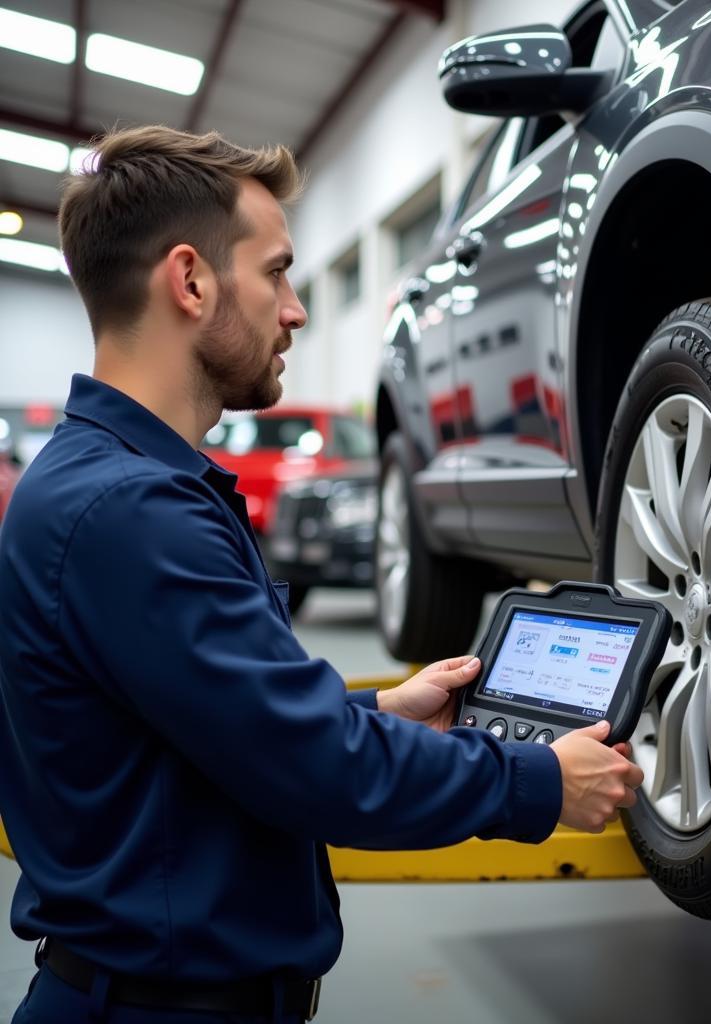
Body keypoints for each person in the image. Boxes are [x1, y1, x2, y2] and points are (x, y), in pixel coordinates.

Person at [0, 126, 643, 1023]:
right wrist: (537, 783)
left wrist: (378, 709)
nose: (296, 309)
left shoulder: (110, 485)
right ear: (190, 280)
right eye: (276, 272)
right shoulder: (130, 511)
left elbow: (215, 719)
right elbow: (314, 770)